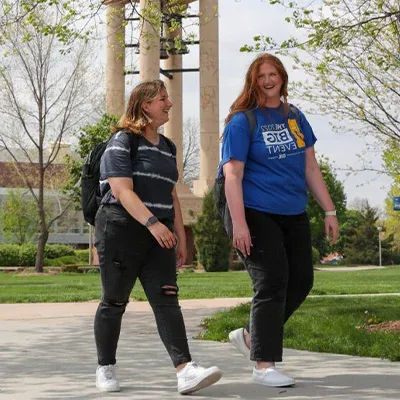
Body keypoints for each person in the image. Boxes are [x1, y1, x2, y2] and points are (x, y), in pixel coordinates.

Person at [94, 79, 222, 394]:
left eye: (168, 97)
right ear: (145, 105)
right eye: (163, 99)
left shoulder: (168, 147)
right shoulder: (122, 141)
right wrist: (153, 223)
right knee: (114, 301)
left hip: (159, 232)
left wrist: (177, 231)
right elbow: (122, 191)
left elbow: (171, 193)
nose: (170, 104)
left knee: (167, 300)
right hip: (121, 229)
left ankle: (185, 370)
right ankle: (105, 368)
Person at [220, 53, 339, 387]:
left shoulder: (296, 117)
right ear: (253, 82)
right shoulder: (243, 121)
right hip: (254, 209)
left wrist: (329, 210)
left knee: (301, 281)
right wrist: (239, 224)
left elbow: (310, 167)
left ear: (283, 78)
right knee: (271, 281)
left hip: (293, 210)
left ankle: (251, 337)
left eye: (274, 74)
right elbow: (232, 175)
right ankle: (263, 365)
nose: (268, 80)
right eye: (261, 76)